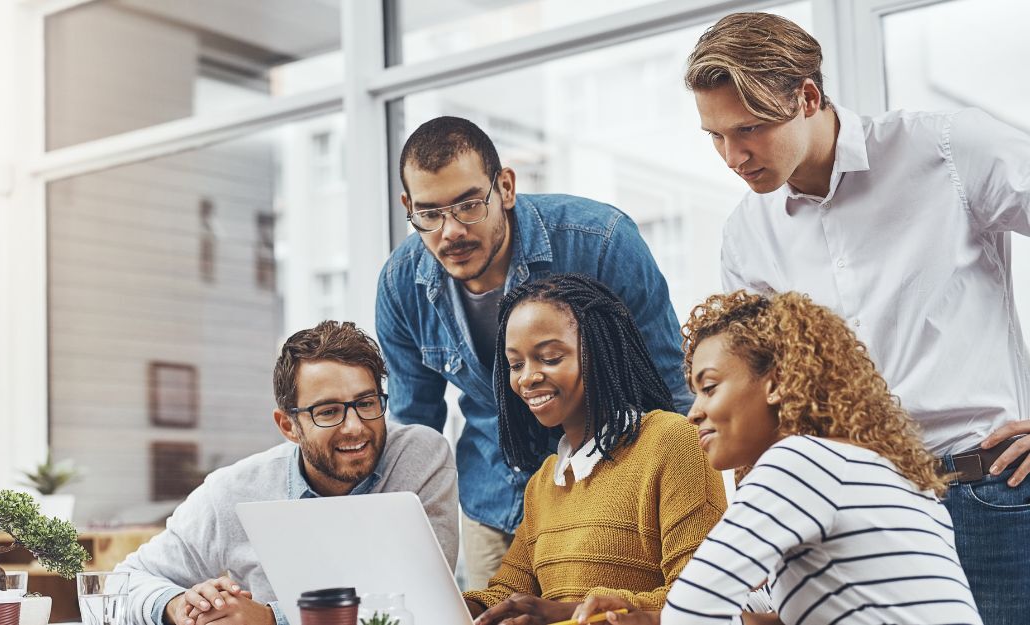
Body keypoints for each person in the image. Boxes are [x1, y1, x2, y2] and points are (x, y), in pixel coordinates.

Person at [684, 12, 1030, 623]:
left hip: (987, 492)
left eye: (750, 129)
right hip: (856, 517)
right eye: (714, 135)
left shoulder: (949, 150)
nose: (732, 155)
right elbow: (760, 404)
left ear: (808, 96)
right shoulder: (747, 232)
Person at [376, 116, 692, 587]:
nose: (450, 232)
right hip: (495, 501)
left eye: (467, 205)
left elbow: (668, 389)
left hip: (612, 490)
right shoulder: (403, 284)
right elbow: (413, 430)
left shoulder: (601, 241)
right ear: (408, 207)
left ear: (505, 187)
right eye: (429, 213)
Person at [574, 291, 982, 625]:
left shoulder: (798, 462)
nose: (693, 411)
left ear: (777, 384)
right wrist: (648, 618)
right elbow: (781, 614)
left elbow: (693, 612)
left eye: (710, 387)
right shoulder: (881, 472)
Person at [114, 321, 458, 625]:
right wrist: (177, 605)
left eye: (366, 403)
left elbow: (423, 598)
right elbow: (125, 582)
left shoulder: (419, 456)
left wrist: (271, 618)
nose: (355, 427)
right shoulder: (234, 491)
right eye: (328, 411)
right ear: (288, 426)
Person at [459, 273, 725, 625]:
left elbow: (701, 597)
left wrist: (567, 614)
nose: (527, 378)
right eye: (516, 364)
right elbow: (506, 595)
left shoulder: (671, 441)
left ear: (601, 353)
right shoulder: (543, 483)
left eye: (550, 357)